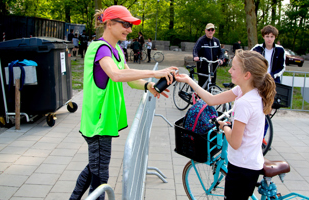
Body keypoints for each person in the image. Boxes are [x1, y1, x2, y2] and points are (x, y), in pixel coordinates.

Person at [69, 5, 178, 200]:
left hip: (103, 121)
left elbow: (129, 78)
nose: (129, 29)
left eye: (130, 25)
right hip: (98, 123)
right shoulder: (101, 49)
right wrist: (154, 72)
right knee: (100, 176)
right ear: (109, 24)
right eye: (125, 24)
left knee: (94, 167)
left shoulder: (116, 49)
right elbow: (116, 75)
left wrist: (149, 86)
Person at [175, 50, 276, 199]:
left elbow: (235, 143)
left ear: (247, 75)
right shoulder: (247, 91)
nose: (229, 70)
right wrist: (190, 81)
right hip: (249, 162)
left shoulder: (244, 103)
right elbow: (212, 99)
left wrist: (225, 127)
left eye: (234, 68)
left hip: (242, 167)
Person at [193, 23, 223, 87]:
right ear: (205, 30)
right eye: (209, 30)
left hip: (213, 68)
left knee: (212, 84)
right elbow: (195, 49)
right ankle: (200, 96)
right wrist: (195, 56)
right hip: (203, 67)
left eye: (212, 30)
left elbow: (220, 52)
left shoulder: (216, 41)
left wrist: (221, 59)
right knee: (202, 85)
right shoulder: (201, 40)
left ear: (214, 31)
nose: (210, 31)